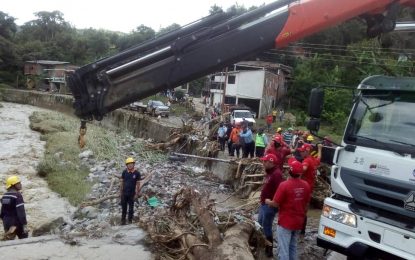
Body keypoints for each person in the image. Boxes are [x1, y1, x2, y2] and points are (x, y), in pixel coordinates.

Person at [265, 160, 311, 260]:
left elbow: (276, 203)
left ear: (289, 172)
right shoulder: (306, 185)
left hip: (285, 222)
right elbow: (307, 205)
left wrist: (268, 201)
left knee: (283, 250)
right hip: (298, 222)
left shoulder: (284, 185)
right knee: (293, 247)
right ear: (300, 173)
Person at [258, 154, 283, 257]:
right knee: (260, 224)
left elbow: (279, 190)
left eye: (265, 161)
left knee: (266, 227)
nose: (263, 163)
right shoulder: (270, 172)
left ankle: (269, 250)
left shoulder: (276, 174)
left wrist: (272, 203)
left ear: (271, 162)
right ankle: (262, 244)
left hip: (269, 206)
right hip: (264, 204)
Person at [0, 176, 28, 240]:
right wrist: (24, 224)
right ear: (13, 185)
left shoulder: (4, 196)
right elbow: (21, 212)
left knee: (9, 243)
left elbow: (2, 212)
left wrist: (5, 223)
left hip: (6, 223)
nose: (20, 184)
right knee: (24, 240)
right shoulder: (17, 195)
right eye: (18, 183)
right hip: (17, 223)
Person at [120, 157, 141, 225]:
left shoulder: (137, 173)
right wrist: (120, 192)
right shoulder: (124, 172)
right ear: (126, 165)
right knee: (124, 208)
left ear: (133, 164)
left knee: (131, 209)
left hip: (132, 194)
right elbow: (122, 182)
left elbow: (138, 184)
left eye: (131, 164)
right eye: (128, 164)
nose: (130, 165)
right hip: (124, 193)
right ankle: (123, 221)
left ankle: (130, 221)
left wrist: (137, 194)